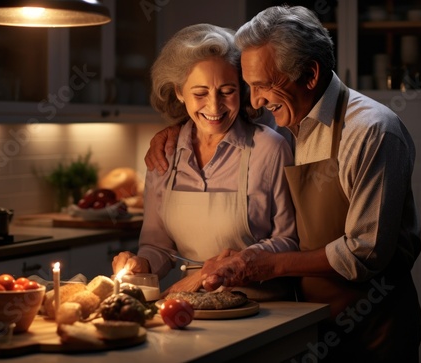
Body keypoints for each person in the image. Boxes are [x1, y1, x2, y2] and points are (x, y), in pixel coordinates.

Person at [144, 5, 421, 363]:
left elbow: (363, 254)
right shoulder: (294, 118)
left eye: (261, 86)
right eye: (249, 86)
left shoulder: (370, 131)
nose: (255, 101)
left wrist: (264, 264)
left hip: (372, 330)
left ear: (309, 75)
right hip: (311, 323)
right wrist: (176, 130)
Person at [112, 23, 298, 301]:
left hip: (261, 307)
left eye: (227, 91)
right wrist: (143, 264)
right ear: (178, 91)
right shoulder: (165, 152)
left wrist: (223, 269)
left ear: (242, 89)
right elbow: (158, 245)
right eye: (200, 93)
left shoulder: (269, 148)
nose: (214, 107)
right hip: (191, 308)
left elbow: (289, 240)